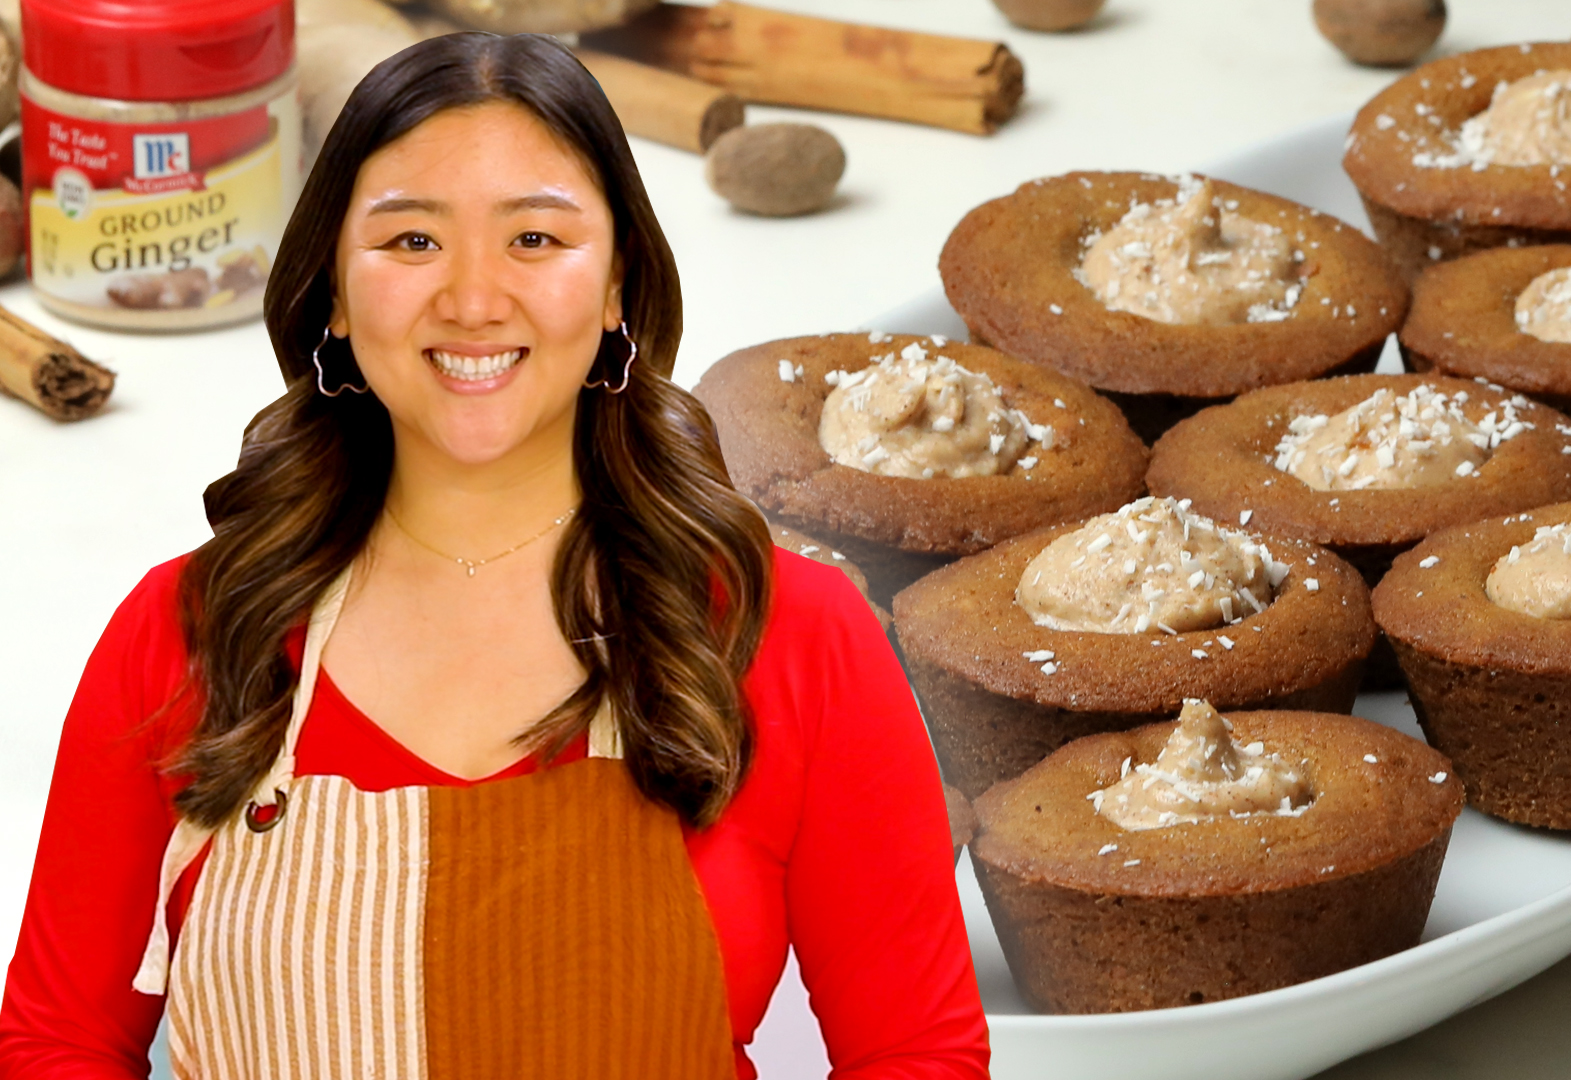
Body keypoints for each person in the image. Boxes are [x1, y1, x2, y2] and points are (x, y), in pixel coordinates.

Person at [0, 33, 988, 1079]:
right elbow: (60, 1042)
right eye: (413, 242)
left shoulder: (790, 634)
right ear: (332, 292)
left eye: (535, 239)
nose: (473, 299)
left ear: (618, 289)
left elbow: (913, 1053)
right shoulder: (194, 631)